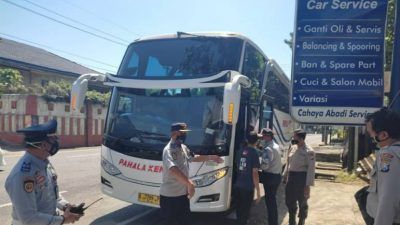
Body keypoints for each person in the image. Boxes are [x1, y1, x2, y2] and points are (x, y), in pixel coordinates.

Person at [4, 119, 82, 225]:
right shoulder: (22, 175)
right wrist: (63, 220)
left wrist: (66, 207)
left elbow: (52, 194)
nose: (56, 142)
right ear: (43, 145)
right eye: (53, 140)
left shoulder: (44, 163)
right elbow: (29, 219)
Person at [160, 122, 224, 225]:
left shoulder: (183, 147)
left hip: (182, 195)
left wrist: (212, 157)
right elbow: (173, 169)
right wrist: (189, 184)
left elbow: (193, 157)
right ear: (175, 133)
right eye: (183, 132)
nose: (185, 135)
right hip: (170, 197)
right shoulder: (168, 150)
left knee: (185, 221)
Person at [365, 107, 400, 225]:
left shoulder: (388, 155)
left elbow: (387, 199)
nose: (370, 138)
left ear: (383, 135)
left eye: (371, 134)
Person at [283, 128, 315, 225]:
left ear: (301, 138)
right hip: (291, 177)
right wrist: (285, 176)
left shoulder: (309, 151)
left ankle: (302, 221)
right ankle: (292, 221)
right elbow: (288, 163)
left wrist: (307, 186)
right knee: (289, 200)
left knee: (302, 202)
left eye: (295, 137)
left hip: (302, 178)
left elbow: (311, 170)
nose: (293, 138)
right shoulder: (292, 147)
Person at [234, 131, 261, 225]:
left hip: (238, 185)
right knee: (245, 212)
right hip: (247, 187)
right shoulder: (254, 153)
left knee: (239, 211)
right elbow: (255, 173)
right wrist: (258, 191)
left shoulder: (240, 151)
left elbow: (237, 166)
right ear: (256, 141)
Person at [259, 128, 282, 225]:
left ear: (267, 136)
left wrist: (258, 166)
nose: (262, 138)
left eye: (263, 136)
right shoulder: (276, 145)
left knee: (270, 202)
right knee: (272, 200)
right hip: (276, 177)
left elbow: (265, 165)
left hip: (270, 177)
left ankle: (272, 222)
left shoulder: (268, 149)